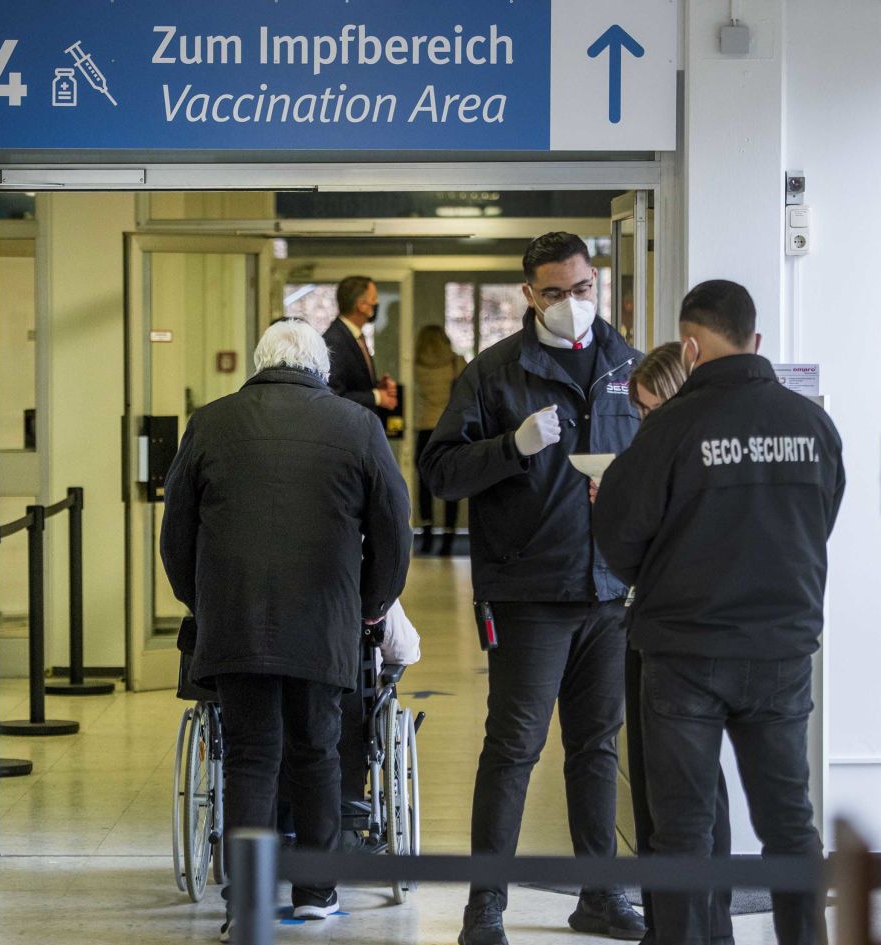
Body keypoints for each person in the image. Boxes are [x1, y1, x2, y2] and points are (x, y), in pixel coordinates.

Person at [594, 281, 844, 945]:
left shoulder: (670, 428)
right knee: (791, 824)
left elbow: (617, 535)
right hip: (781, 655)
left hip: (685, 657)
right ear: (755, 341)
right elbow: (821, 520)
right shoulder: (812, 425)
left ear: (690, 345)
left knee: (680, 830)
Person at [418, 231, 645, 945]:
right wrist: (510, 446)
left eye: (582, 290)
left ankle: (601, 897)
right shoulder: (493, 374)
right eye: (555, 293)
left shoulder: (627, 367)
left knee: (597, 747)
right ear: (529, 294)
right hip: (529, 590)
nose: (572, 304)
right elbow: (441, 471)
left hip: (609, 589)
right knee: (514, 746)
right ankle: (484, 909)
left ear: (596, 283)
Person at [160, 319, 411, 942]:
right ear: (321, 370)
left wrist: (200, 600)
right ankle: (317, 894)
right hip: (325, 621)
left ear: (258, 362)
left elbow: (176, 531)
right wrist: (373, 605)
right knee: (317, 752)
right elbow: (394, 527)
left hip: (236, 619)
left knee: (249, 757)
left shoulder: (211, 422)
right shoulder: (357, 426)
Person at [592, 342, 736, 945]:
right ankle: (669, 926)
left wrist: (621, 515)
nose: (645, 423)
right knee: (656, 790)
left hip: (685, 639)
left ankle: (707, 927)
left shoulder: (699, 459)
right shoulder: (662, 453)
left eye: (652, 410)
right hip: (649, 630)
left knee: (695, 792)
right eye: (640, 413)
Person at [413, 325, 466, 555]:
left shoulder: (414, 366)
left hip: (424, 428)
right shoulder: (456, 363)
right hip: (448, 430)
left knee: (424, 486)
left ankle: (425, 533)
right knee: (451, 482)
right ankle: (448, 536)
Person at [322, 275, 399, 418]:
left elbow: (354, 382)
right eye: (374, 298)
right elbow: (334, 394)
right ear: (361, 305)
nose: (377, 303)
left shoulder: (355, 335)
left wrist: (376, 386)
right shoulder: (335, 339)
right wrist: (376, 397)